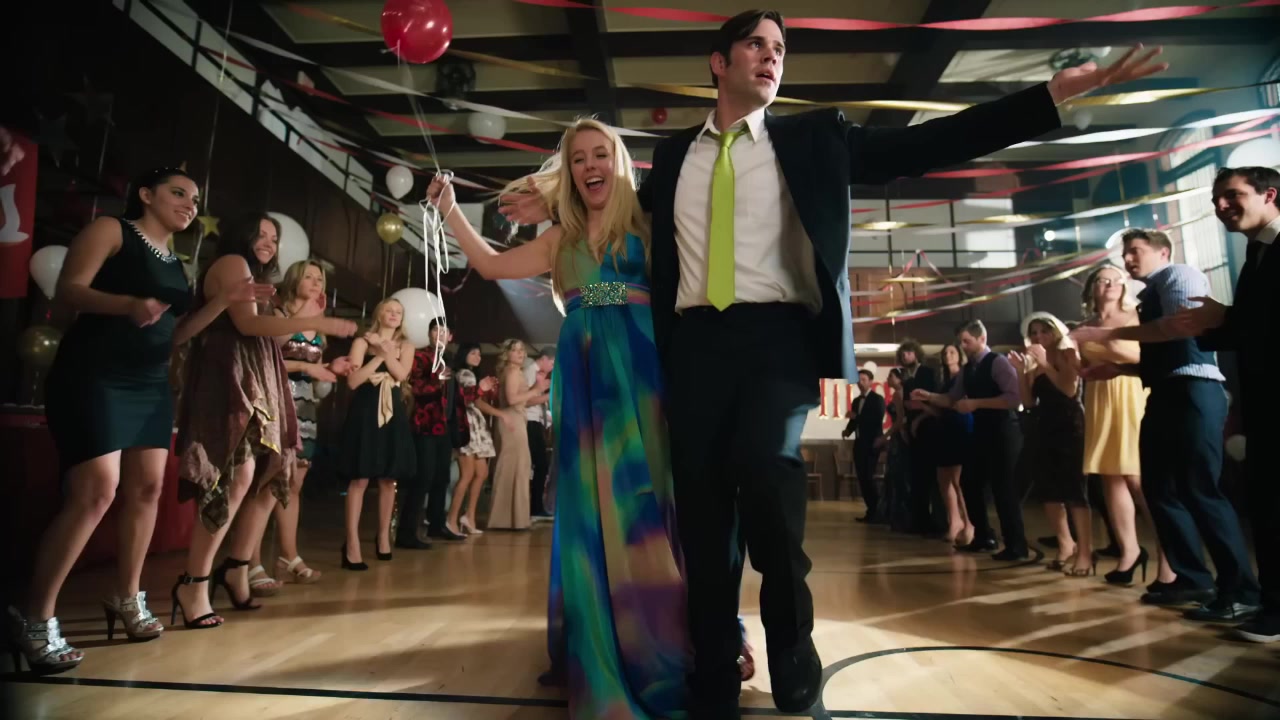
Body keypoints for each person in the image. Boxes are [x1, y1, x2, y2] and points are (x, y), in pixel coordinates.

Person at [502, 11, 1165, 714]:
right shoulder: (671, 159)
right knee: (701, 512)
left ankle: (792, 645)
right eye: (756, 45)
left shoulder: (814, 137)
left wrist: (1048, 98)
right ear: (718, 63)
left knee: (766, 477)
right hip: (692, 346)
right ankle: (714, 668)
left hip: (777, 338)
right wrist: (546, 195)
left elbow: (926, 143)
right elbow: (606, 197)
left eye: (780, 48)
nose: (772, 57)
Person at [428, 118, 685, 718]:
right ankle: (602, 643)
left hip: (643, 369)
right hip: (585, 372)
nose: (590, 165)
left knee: (649, 499)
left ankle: (666, 636)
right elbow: (490, 266)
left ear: (619, 162)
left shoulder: (649, 222)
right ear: (568, 171)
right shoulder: (560, 238)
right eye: (578, 159)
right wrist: (449, 211)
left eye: (601, 154)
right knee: (591, 506)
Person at [8, 169, 273, 673]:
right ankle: (35, 617)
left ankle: (127, 597)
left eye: (195, 198)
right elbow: (68, 290)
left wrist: (222, 302)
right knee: (97, 490)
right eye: (178, 193)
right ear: (146, 195)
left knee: (149, 489)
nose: (190, 203)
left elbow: (176, 335)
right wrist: (127, 303)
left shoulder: (174, 261)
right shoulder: (112, 230)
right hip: (95, 373)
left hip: (149, 382)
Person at [172, 212, 355, 629]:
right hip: (230, 375)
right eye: (262, 234)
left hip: (258, 375)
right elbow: (248, 324)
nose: (270, 242)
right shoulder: (232, 263)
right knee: (232, 477)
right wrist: (314, 321)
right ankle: (194, 581)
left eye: (275, 237)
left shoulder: (255, 278)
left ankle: (237, 568)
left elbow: (274, 336)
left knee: (271, 473)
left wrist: (307, 314)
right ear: (243, 233)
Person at [1071, 228, 1259, 620]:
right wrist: (1119, 369)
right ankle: (1192, 578)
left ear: (1163, 252)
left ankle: (1242, 590)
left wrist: (1103, 333)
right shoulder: (1150, 295)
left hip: (1194, 390)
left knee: (1200, 489)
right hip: (1164, 392)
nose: (1128, 260)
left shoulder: (1179, 276)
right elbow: (1163, 354)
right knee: (1160, 490)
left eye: (1135, 251)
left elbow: (1177, 328)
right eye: (1125, 253)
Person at [1168, 166, 1279, 642]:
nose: (1221, 206)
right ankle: (1273, 609)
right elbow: (1252, 327)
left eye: (1232, 195)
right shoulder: (1256, 251)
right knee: (1267, 506)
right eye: (1216, 199)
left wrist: (1224, 317)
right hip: (1264, 403)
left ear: (1269, 194)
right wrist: (1214, 324)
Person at [1075, 265, 1173, 587]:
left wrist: (1105, 339)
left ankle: (1169, 561)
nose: (1110, 284)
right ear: (1092, 288)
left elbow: (1142, 357)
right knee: (1111, 477)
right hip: (1100, 398)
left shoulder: (1135, 317)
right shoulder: (1085, 325)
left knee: (1137, 478)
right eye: (1103, 279)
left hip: (1131, 394)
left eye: (1117, 279)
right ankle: (1129, 552)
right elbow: (1081, 369)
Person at [914, 321, 1028, 562]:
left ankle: (1016, 545)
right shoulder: (968, 370)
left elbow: (1014, 399)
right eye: (961, 342)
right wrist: (929, 396)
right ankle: (983, 536)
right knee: (970, 482)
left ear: (982, 339)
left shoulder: (998, 362)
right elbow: (952, 399)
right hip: (981, 432)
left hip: (1004, 430)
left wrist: (976, 403)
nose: (963, 346)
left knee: (1003, 488)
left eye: (967, 341)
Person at [1010, 313, 1092, 576]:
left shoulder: (1067, 353)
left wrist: (1045, 363)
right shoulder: (1035, 361)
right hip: (1043, 425)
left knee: (1074, 490)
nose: (1038, 336)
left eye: (1044, 331)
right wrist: (1021, 371)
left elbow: (1069, 389)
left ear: (1055, 331)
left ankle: (1085, 552)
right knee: (1048, 490)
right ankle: (1065, 542)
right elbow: (1028, 401)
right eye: (1034, 333)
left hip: (1069, 424)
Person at [340, 298, 419, 564]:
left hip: (392, 412)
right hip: (365, 410)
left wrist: (386, 351)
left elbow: (401, 375)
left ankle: (383, 536)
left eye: (399, 312)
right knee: (360, 478)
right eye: (389, 310)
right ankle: (351, 542)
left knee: (388, 478)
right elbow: (353, 381)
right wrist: (379, 355)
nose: (394, 314)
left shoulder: (406, 345)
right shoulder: (362, 343)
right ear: (379, 313)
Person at [922, 343, 974, 547]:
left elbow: (957, 403)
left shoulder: (964, 377)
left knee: (958, 480)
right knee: (943, 478)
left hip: (961, 427)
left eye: (952, 352)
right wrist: (924, 406)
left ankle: (969, 523)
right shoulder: (943, 381)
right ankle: (954, 521)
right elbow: (940, 410)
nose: (948, 355)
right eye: (945, 353)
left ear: (960, 355)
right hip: (944, 428)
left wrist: (931, 398)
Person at [841, 369, 884, 523]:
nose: (860, 382)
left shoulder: (877, 399)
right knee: (862, 478)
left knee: (868, 477)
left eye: (864, 379)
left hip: (872, 444)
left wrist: (857, 417)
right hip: (859, 443)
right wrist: (848, 430)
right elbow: (854, 422)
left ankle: (878, 511)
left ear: (871, 381)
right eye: (859, 380)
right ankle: (871, 511)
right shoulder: (856, 401)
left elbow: (876, 420)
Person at [525, 346, 555, 519]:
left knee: (541, 464)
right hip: (529, 421)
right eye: (551, 363)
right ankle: (534, 507)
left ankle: (536, 506)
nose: (552, 367)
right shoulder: (530, 372)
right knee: (539, 464)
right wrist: (548, 396)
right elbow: (526, 401)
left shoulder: (539, 374)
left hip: (536, 421)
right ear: (543, 358)